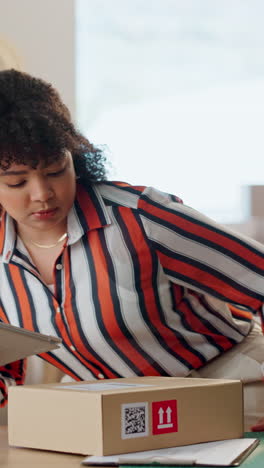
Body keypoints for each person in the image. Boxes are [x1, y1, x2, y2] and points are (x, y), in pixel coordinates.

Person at [0, 69, 264, 431]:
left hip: (231, 390)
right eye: (17, 182)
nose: (42, 193)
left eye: (57, 171)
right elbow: (7, 360)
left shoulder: (140, 217)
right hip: (115, 414)